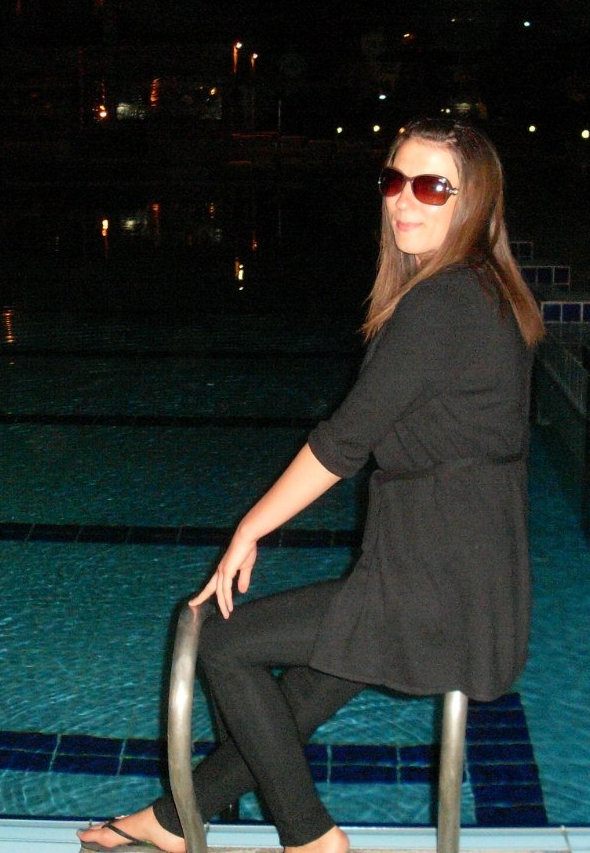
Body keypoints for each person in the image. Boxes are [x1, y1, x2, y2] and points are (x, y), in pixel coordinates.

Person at [78, 116, 545, 853]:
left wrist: (249, 529)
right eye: (394, 180)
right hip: (462, 576)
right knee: (294, 694)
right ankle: (170, 821)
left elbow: (343, 442)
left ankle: (311, 838)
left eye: (432, 186)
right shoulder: (478, 292)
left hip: (433, 582)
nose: (404, 200)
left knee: (222, 643)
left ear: (475, 201)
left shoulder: (444, 303)